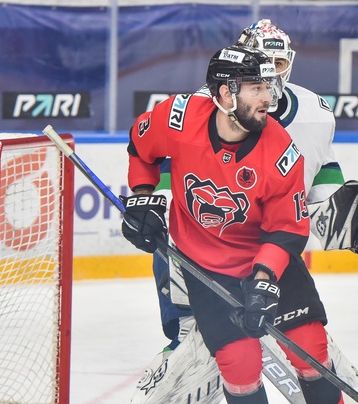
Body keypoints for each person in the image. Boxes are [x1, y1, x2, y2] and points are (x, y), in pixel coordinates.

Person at [122, 45, 345, 403]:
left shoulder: (281, 152)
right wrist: (142, 195)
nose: (268, 97)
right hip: (206, 269)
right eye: (257, 88)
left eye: (268, 86)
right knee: (240, 368)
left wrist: (263, 279)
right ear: (226, 93)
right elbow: (140, 147)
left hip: (269, 263)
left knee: (311, 351)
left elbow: (286, 229)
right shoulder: (178, 119)